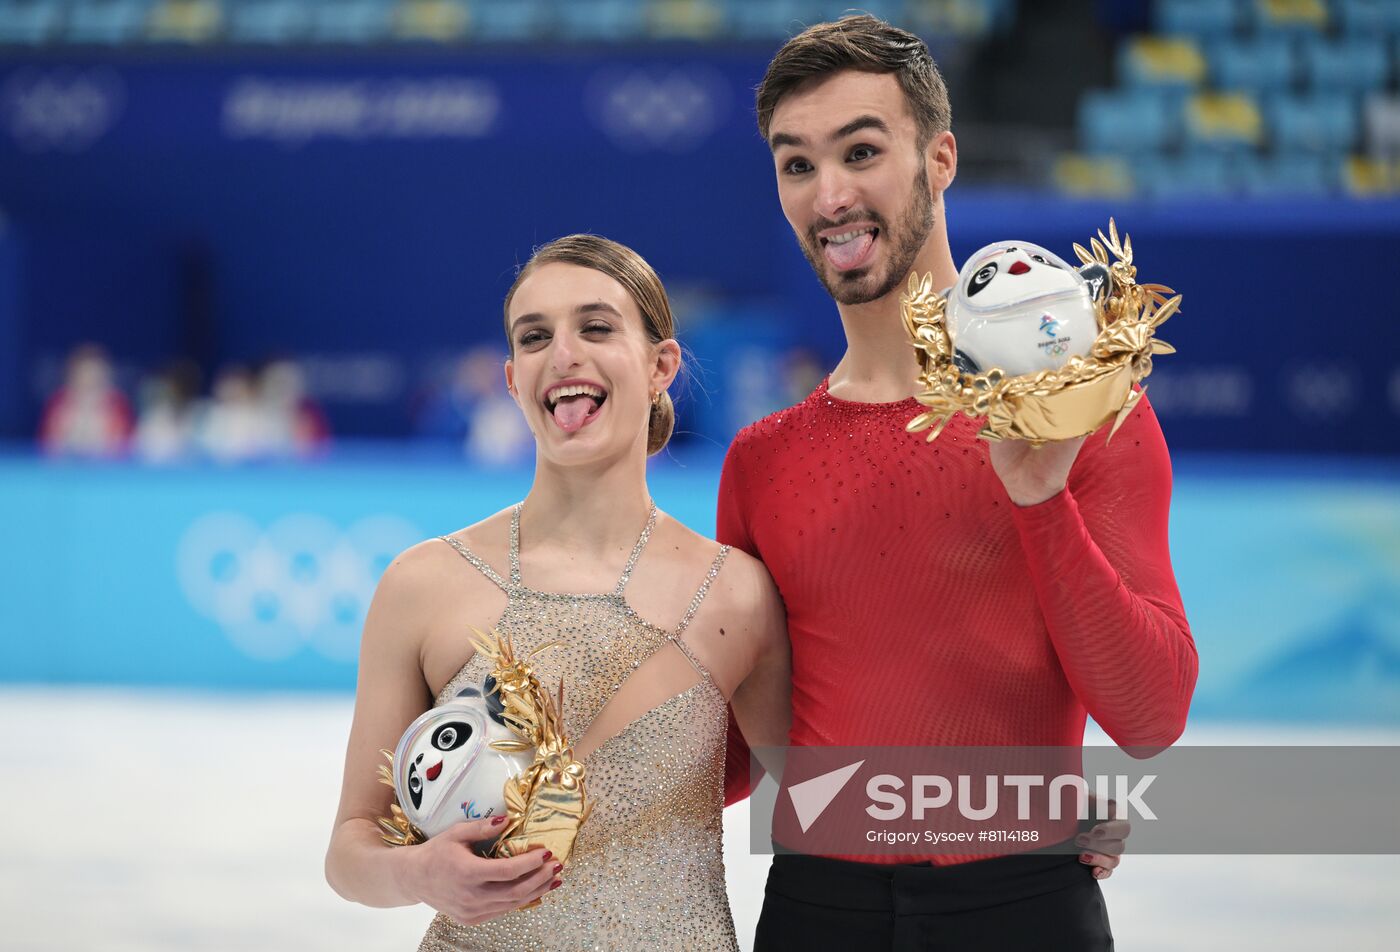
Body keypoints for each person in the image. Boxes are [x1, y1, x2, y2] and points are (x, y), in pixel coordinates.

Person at [718, 16, 1198, 950]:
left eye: (862, 150)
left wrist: (1039, 497)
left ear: (940, 158)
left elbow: (1149, 717)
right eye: (798, 164)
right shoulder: (764, 459)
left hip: (1023, 908)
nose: (832, 194)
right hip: (818, 910)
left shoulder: (1084, 412)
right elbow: (739, 754)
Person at [325, 235, 793, 951]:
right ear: (514, 381)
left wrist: (1017, 812)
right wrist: (420, 872)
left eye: (596, 327)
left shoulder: (735, 593)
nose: (563, 354)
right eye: (535, 336)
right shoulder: (423, 585)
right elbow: (350, 852)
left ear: (661, 365)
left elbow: (819, 821)